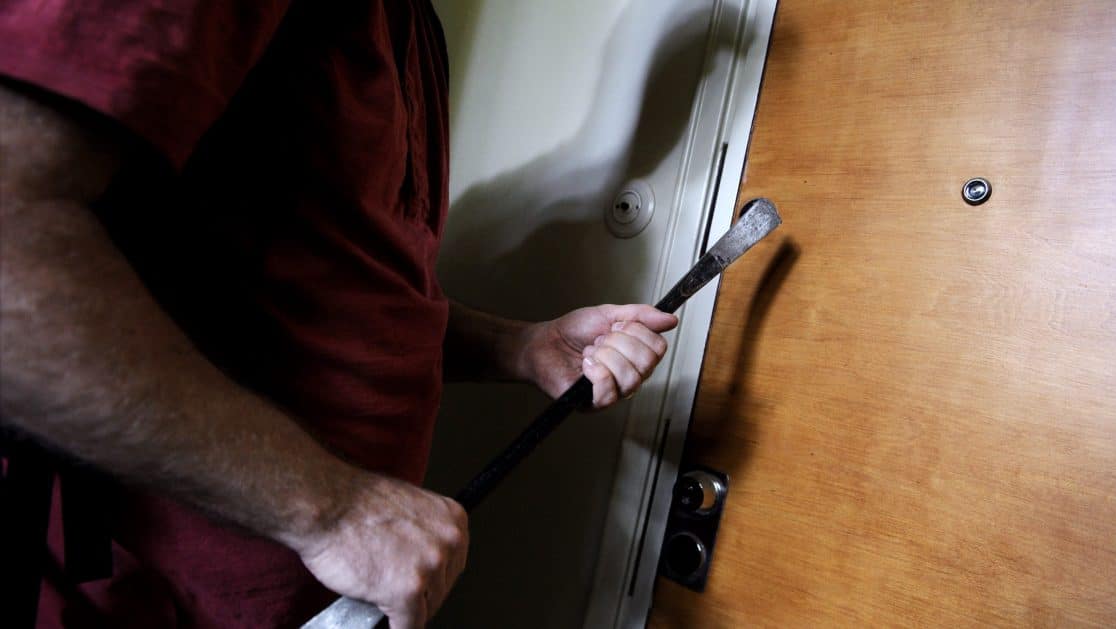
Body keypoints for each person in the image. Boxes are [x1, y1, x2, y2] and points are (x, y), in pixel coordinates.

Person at [0, 1, 677, 628]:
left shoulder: (411, 25)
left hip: (315, 596)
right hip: (139, 593)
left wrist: (520, 347)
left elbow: (339, 295)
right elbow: (12, 251)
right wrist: (334, 510)